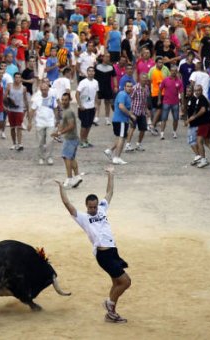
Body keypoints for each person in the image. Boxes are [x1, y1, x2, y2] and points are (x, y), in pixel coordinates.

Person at [55, 167, 131, 324]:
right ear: (86, 206)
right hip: (103, 255)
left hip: (113, 252)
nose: (93, 209)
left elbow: (109, 193)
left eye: (95, 207)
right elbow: (67, 203)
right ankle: (109, 305)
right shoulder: (82, 217)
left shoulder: (102, 209)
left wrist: (111, 174)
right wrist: (62, 188)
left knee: (117, 283)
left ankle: (111, 314)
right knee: (126, 282)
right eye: (90, 207)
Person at [52, 93, 82, 189]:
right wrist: (57, 131)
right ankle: (77, 177)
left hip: (70, 139)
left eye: (66, 100)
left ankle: (69, 178)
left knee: (66, 158)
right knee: (71, 158)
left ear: (69, 100)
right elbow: (63, 123)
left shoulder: (68, 111)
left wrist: (60, 133)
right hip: (72, 138)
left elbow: (71, 125)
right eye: (63, 99)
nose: (64, 101)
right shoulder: (65, 111)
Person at [104, 82, 135, 165]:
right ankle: (117, 157)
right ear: (124, 87)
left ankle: (110, 150)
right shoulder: (122, 94)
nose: (129, 88)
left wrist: (129, 119)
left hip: (122, 120)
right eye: (128, 86)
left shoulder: (127, 96)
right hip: (120, 120)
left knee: (120, 138)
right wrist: (130, 115)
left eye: (131, 86)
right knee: (122, 138)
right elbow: (121, 106)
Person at [29, 82, 58, 165]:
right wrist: (30, 122)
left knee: (50, 140)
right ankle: (41, 157)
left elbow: (56, 109)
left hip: (50, 122)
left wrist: (57, 120)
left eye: (45, 89)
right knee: (40, 142)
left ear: (48, 89)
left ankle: (49, 157)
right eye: (42, 90)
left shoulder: (52, 98)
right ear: (40, 90)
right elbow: (32, 111)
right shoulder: (37, 99)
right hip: (40, 122)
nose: (44, 91)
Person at [187, 85, 210, 168]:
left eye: (198, 90)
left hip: (198, 124)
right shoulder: (196, 99)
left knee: (196, 141)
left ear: (201, 90)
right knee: (203, 142)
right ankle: (201, 157)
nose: (196, 92)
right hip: (200, 123)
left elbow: (202, 110)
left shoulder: (199, 99)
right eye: (195, 90)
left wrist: (192, 118)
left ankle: (201, 158)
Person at [76, 67, 99, 148]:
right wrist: (80, 104)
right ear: (87, 72)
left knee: (89, 125)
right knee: (84, 125)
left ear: (94, 73)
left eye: (92, 71)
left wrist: (96, 104)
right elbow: (77, 93)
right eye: (89, 71)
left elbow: (96, 93)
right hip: (84, 107)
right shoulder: (83, 82)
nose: (91, 73)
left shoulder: (96, 82)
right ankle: (81, 141)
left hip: (91, 107)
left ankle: (86, 139)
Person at [158, 67, 183, 139]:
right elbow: (160, 89)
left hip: (175, 102)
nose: (173, 72)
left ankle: (174, 132)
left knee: (176, 118)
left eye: (175, 71)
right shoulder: (165, 80)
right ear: (170, 71)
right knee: (164, 118)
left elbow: (181, 93)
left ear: (177, 72)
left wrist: (182, 103)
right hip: (166, 102)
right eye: (172, 70)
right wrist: (159, 100)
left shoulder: (179, 81)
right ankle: (162, 133)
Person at [6, 73, 29, 151]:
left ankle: (19, 143)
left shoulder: (24, 88)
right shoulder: (9, 87)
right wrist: (7, 105)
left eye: (19, 77)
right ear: (14, 78)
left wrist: (28, 110)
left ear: (21, 78)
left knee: (19, 127)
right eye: (16, 77)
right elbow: (4, 97)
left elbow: (25, 99)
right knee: (12, 127)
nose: (17, 79)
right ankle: (14, 143)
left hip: (19, 109)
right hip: (11, 109)